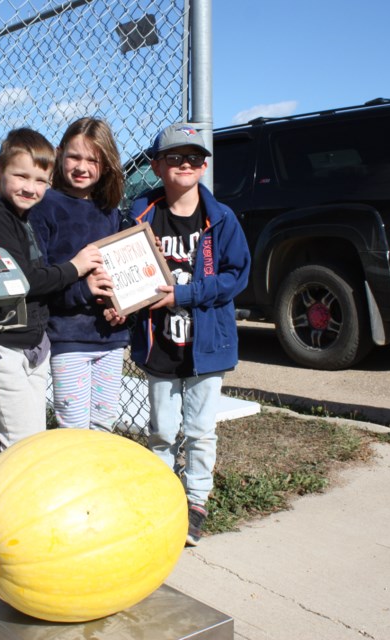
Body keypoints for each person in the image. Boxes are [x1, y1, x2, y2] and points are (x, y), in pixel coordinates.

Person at [125, 123, 251, 546]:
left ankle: (195, 501)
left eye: (194, 157)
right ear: (157, 166)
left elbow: (236, 276)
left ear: (204, 166)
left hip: (207, 345)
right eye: (175, 157)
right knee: (161, 431)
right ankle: (164, 500)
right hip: (160, 341)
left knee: (200, 430)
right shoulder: (142, 216)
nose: (185, 164)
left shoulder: (221, 219)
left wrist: (184, 293)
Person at [0, 128, 108, 451]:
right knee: (23, 446)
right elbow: (21, 280)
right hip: (0, 345)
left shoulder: (22, 218)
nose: (30, 188)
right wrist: (75, 268)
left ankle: (14, 497)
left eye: (40, 180)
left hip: (29, 344)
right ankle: (5, 501)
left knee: (29, 439)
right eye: (21, 176)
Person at [29, 117, 128, 431]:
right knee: (73, 427)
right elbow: (41, 281)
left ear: (107, 164)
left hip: (110, 339)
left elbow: (122, 276)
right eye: (74, 156)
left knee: (104, 422)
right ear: (59, 155)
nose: (82, 166)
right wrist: (82, 290)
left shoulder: (111, 211)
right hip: (68, 338)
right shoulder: (46, 206)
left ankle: (99, 480)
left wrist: (123, 308)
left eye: (92, 159)